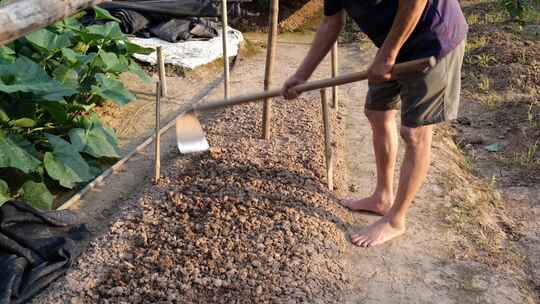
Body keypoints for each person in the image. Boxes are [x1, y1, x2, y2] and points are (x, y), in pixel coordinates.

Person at [282, 0, 468, 247]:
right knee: (377, 112)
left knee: (415, 133)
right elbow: (330, 22)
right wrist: (301, 76)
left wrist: (387, 55)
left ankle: (396, 220)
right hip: (394, 44)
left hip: (432, 39)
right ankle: (382, 197)